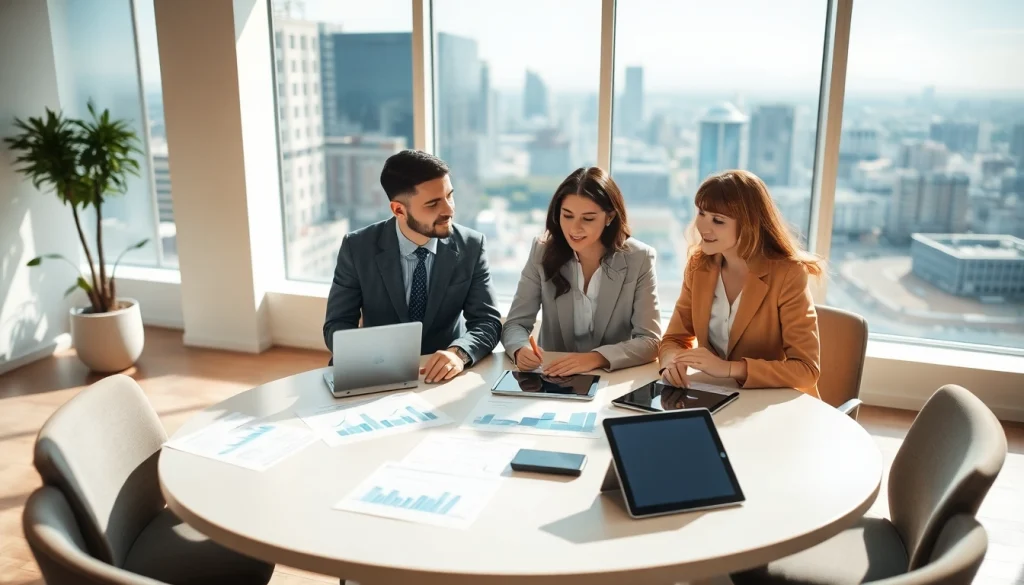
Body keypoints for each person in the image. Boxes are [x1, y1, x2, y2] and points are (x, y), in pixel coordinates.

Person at [323, 150, 501, 384]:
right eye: (433, 204)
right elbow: (337, 324)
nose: (448, 210)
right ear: (398, 210)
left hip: (443, 375)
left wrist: (459, 353)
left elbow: (488, 322)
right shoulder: (357, 247)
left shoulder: (471, 246)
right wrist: (370, 357)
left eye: (449, 196)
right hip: (377, 371)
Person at [659, 170, 823, 397]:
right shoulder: (699, 266)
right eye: (701, 213)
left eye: (718, 220)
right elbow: (674, 338)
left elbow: (806, 369)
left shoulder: (787, 274)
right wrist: (671, 362)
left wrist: (728, 369)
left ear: (748, 225)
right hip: (712, 395)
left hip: (770, 401)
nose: (703, 227)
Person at [502, 167, 662, 376]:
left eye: (588, 219)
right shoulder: (541, 251)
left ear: (609, 217)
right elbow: (515, 323)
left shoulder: (639, 258)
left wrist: (594, 359)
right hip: (552, 377)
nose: (574, 228)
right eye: (567, 216)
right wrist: (519, 349)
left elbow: (650, 341)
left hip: (609, 379)